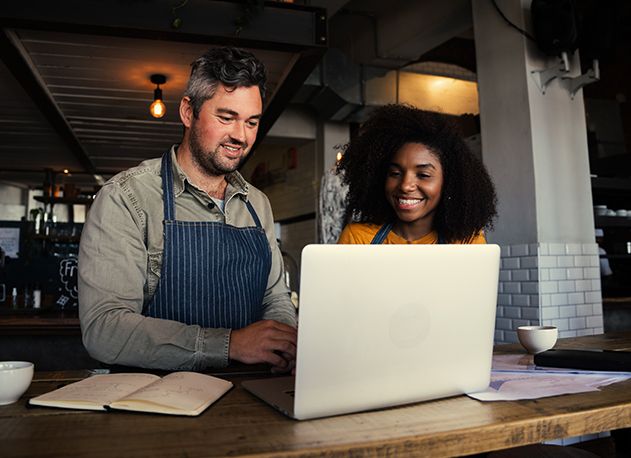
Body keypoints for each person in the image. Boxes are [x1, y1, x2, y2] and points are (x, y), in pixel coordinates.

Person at [78, 47, 297, 372]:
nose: (241, 136)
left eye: (252, 122)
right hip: (154, 402)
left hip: (250, 397)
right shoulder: (127, 196)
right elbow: (104, 329)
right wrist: (229, 344)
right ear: (187, 111)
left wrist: (285, 346)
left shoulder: (256, 203)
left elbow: (275, 298)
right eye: (226, 117)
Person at [336, 104, 497, 245]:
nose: (405, 185)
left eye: (423, 175)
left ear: (449, 182)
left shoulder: (467, 243)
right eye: (395, 173)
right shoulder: (357, 240)